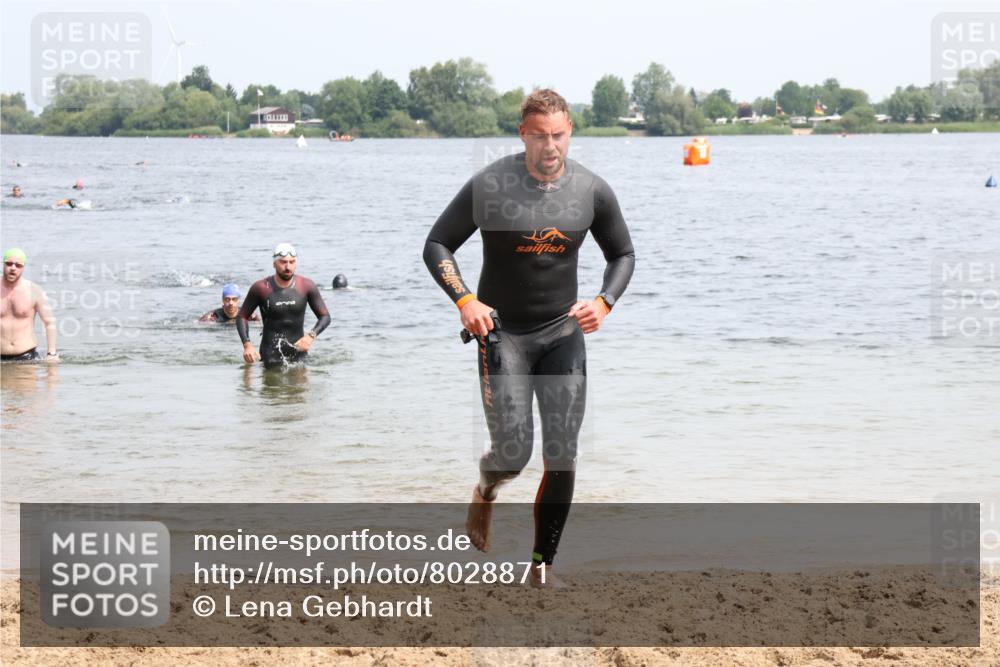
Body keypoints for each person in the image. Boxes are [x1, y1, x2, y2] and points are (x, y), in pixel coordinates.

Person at [423, 89, 634, 587]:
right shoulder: (492, 185)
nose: (550, 146)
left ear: (570, 132)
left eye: (559, 135)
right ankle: (486, 488)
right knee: (513, 454)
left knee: (562, 452)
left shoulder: (591, 191)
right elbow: (437, 244)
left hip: (563, 334)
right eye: (540, 136)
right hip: (503, 336)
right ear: (523, 134)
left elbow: (623, 254)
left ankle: (541, 567)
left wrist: (603, 302)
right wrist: (465, 300)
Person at [236, 243, 330, 369]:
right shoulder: (261, 288)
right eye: (283, 262)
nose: (288, 266)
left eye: (292, 262)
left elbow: (325, 316)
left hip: (300, 357)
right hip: (269, 358)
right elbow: (241, 317)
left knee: (302, 388)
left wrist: (311, 336)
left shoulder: (306, 285)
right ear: (274, 263)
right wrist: (247, 345)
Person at [1, 248, 58, 363]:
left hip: (27, 358)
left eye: (18, 265)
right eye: (9, 263)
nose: (13, 268)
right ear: (3, 264)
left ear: (23, 268)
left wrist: (51, 353)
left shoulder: (35, 291)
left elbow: (49, 322)